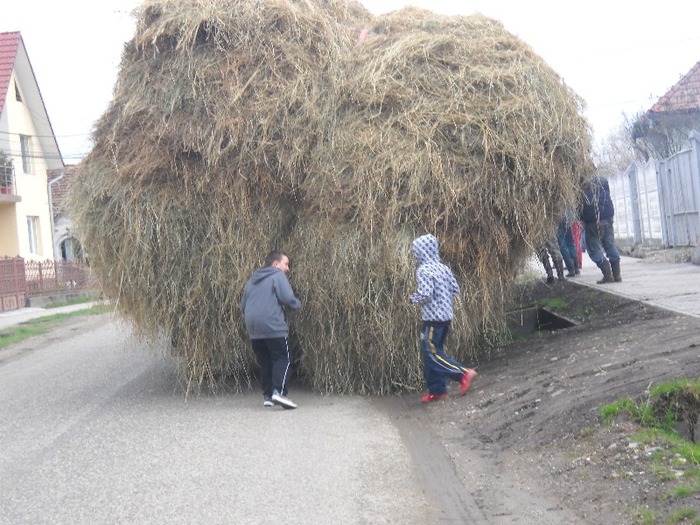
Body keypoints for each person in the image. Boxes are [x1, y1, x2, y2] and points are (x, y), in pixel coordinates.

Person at [408, 233, 476, 403]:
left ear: (420, 253)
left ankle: (462, 373)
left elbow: (426, 294)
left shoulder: (423, 270)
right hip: (446, 317)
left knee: (432, 354)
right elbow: (455, 289)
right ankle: (437, 390)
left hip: (432, 319)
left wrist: (413, 298)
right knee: (431, 352)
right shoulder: (443, 268)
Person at [241, 250, 302, 409]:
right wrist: (297, 304)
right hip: (273, 325)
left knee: (266, 360)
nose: (287, 269)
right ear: (276, 264)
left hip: (254, 328)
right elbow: (287, 298)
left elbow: (243, 305)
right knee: (284, 358)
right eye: (286, 264)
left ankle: (267, 395)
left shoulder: (251, 280)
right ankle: (279, 392)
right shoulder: (277, 276)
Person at [579, 176, 622, 283]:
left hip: (592, 220)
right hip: (607, 216)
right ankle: (617, 275)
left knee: (593, 248)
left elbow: (578, 204)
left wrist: (580, 216)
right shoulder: (603, 180)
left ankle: (607, 274)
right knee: (610, 244)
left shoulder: (581, 184)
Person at [556, 213, 579, 277]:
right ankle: (576, 268)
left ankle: (571, 270)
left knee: (563, 246)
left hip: (558, 219)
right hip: (568, 219)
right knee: (570, 244)